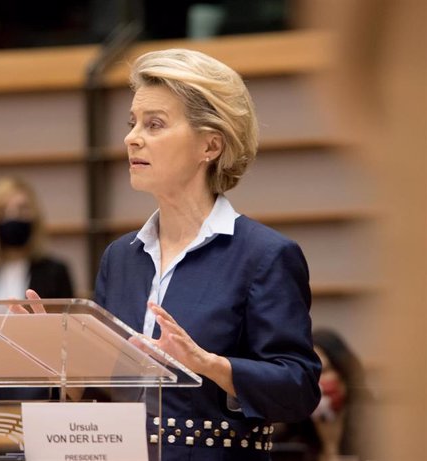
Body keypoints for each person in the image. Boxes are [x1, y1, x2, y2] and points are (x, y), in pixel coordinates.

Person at [19, 48, 321, 460]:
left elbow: (298, 389)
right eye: (133, 123)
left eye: (155, 124)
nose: (131, 137)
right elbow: (107, 397)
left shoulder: (264, 256)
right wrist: (67, 367)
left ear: (210, 146)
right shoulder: (121, 257)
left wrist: (209, 364)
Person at [0, 175, 74, 301]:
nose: (13, 216)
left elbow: (65, 318)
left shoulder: (55, 272)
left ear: (35, 216)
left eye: (22, 209)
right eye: (2, 210)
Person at [272, 328, 373, 461]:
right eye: (309, 374)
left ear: (344, 374)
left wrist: (332, 444)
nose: (317, 382)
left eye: (324, 371)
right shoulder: (288, 435)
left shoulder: (375, 427)